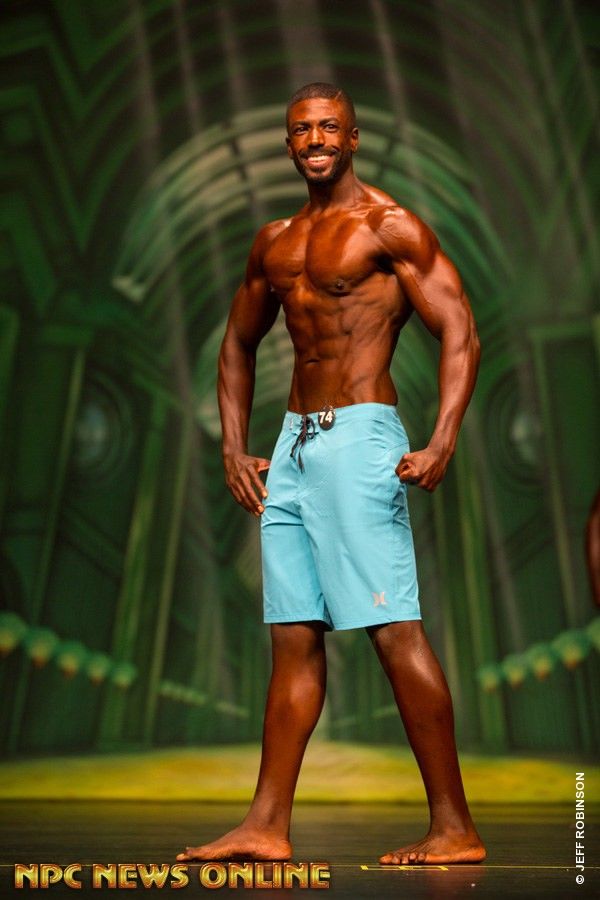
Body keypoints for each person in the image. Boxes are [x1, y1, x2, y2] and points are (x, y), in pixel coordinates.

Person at [178, 82, 485, 866]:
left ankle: (455, 826)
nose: (314, 139)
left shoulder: (390, 226)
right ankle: (266, 825)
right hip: (293, 447)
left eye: (328, 128)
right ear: (288, 144)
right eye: (300, 130)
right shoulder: (274, 242)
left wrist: (443, 438)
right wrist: (234, 445)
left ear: (352, 139)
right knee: (292, 639)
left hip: (359, 436)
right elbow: (236, 344)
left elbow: (460, 330)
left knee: (392, 629)